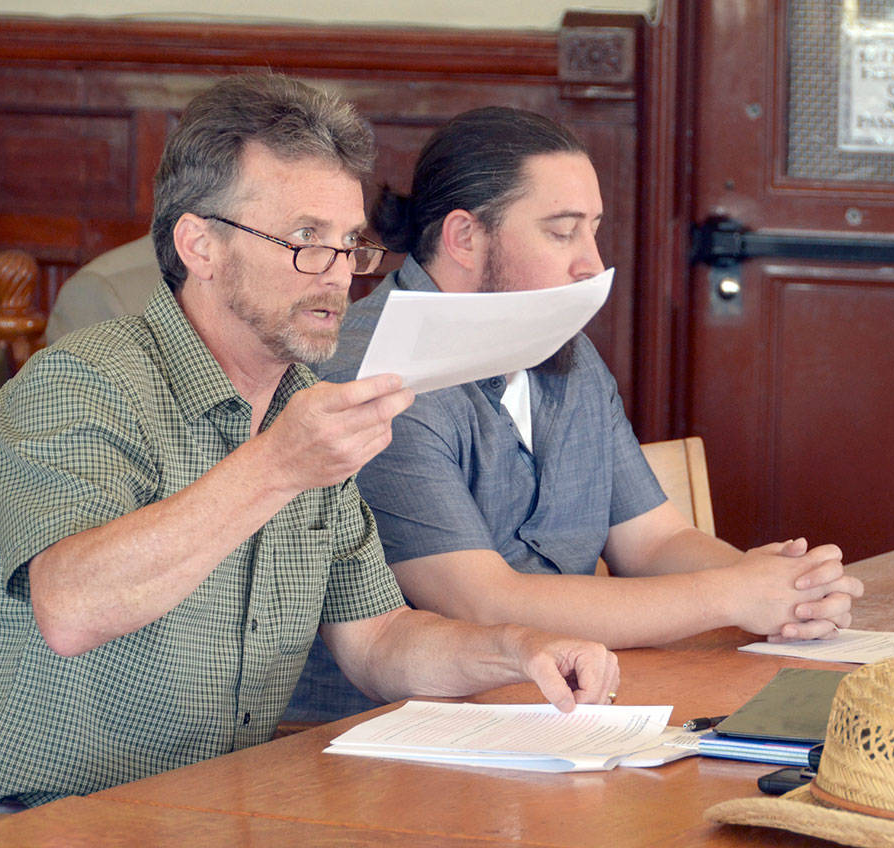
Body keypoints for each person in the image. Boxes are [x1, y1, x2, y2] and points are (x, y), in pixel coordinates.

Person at [0, 76, 618, 810]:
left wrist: (517, 648)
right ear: (200, 246)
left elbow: (378, 639)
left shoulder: (301, 409)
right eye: (304, 240)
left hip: (219, 812)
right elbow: (70, 609)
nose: (339, 276)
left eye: (349, 243)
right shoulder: (82, 384)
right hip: (39, 824)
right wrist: (279, 466)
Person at [288, 106, 863, 720]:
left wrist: (790, 591)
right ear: (464, 238)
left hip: (567, 707)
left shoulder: (567, 348)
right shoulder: (379, 372)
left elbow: (653, 540)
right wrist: (735, 593)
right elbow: (482, 601)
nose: (590, 262)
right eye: (563, 233)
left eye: (593, 229)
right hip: (386, 738)